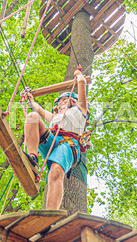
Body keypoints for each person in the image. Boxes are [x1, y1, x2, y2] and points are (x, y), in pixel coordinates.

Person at [23, 69, 88, 210]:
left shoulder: (80, 110)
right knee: (32, 117)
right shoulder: (55, 118)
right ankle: (32, 158)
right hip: (51, 140)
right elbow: (38, 109)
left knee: (55, 172)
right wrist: (30, 98)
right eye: (59, 102)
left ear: (74, 101)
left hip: (68, 144)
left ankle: (50, 213)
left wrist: (78, 75)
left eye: (65, 100)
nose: (61, 103)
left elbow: (82, 83)